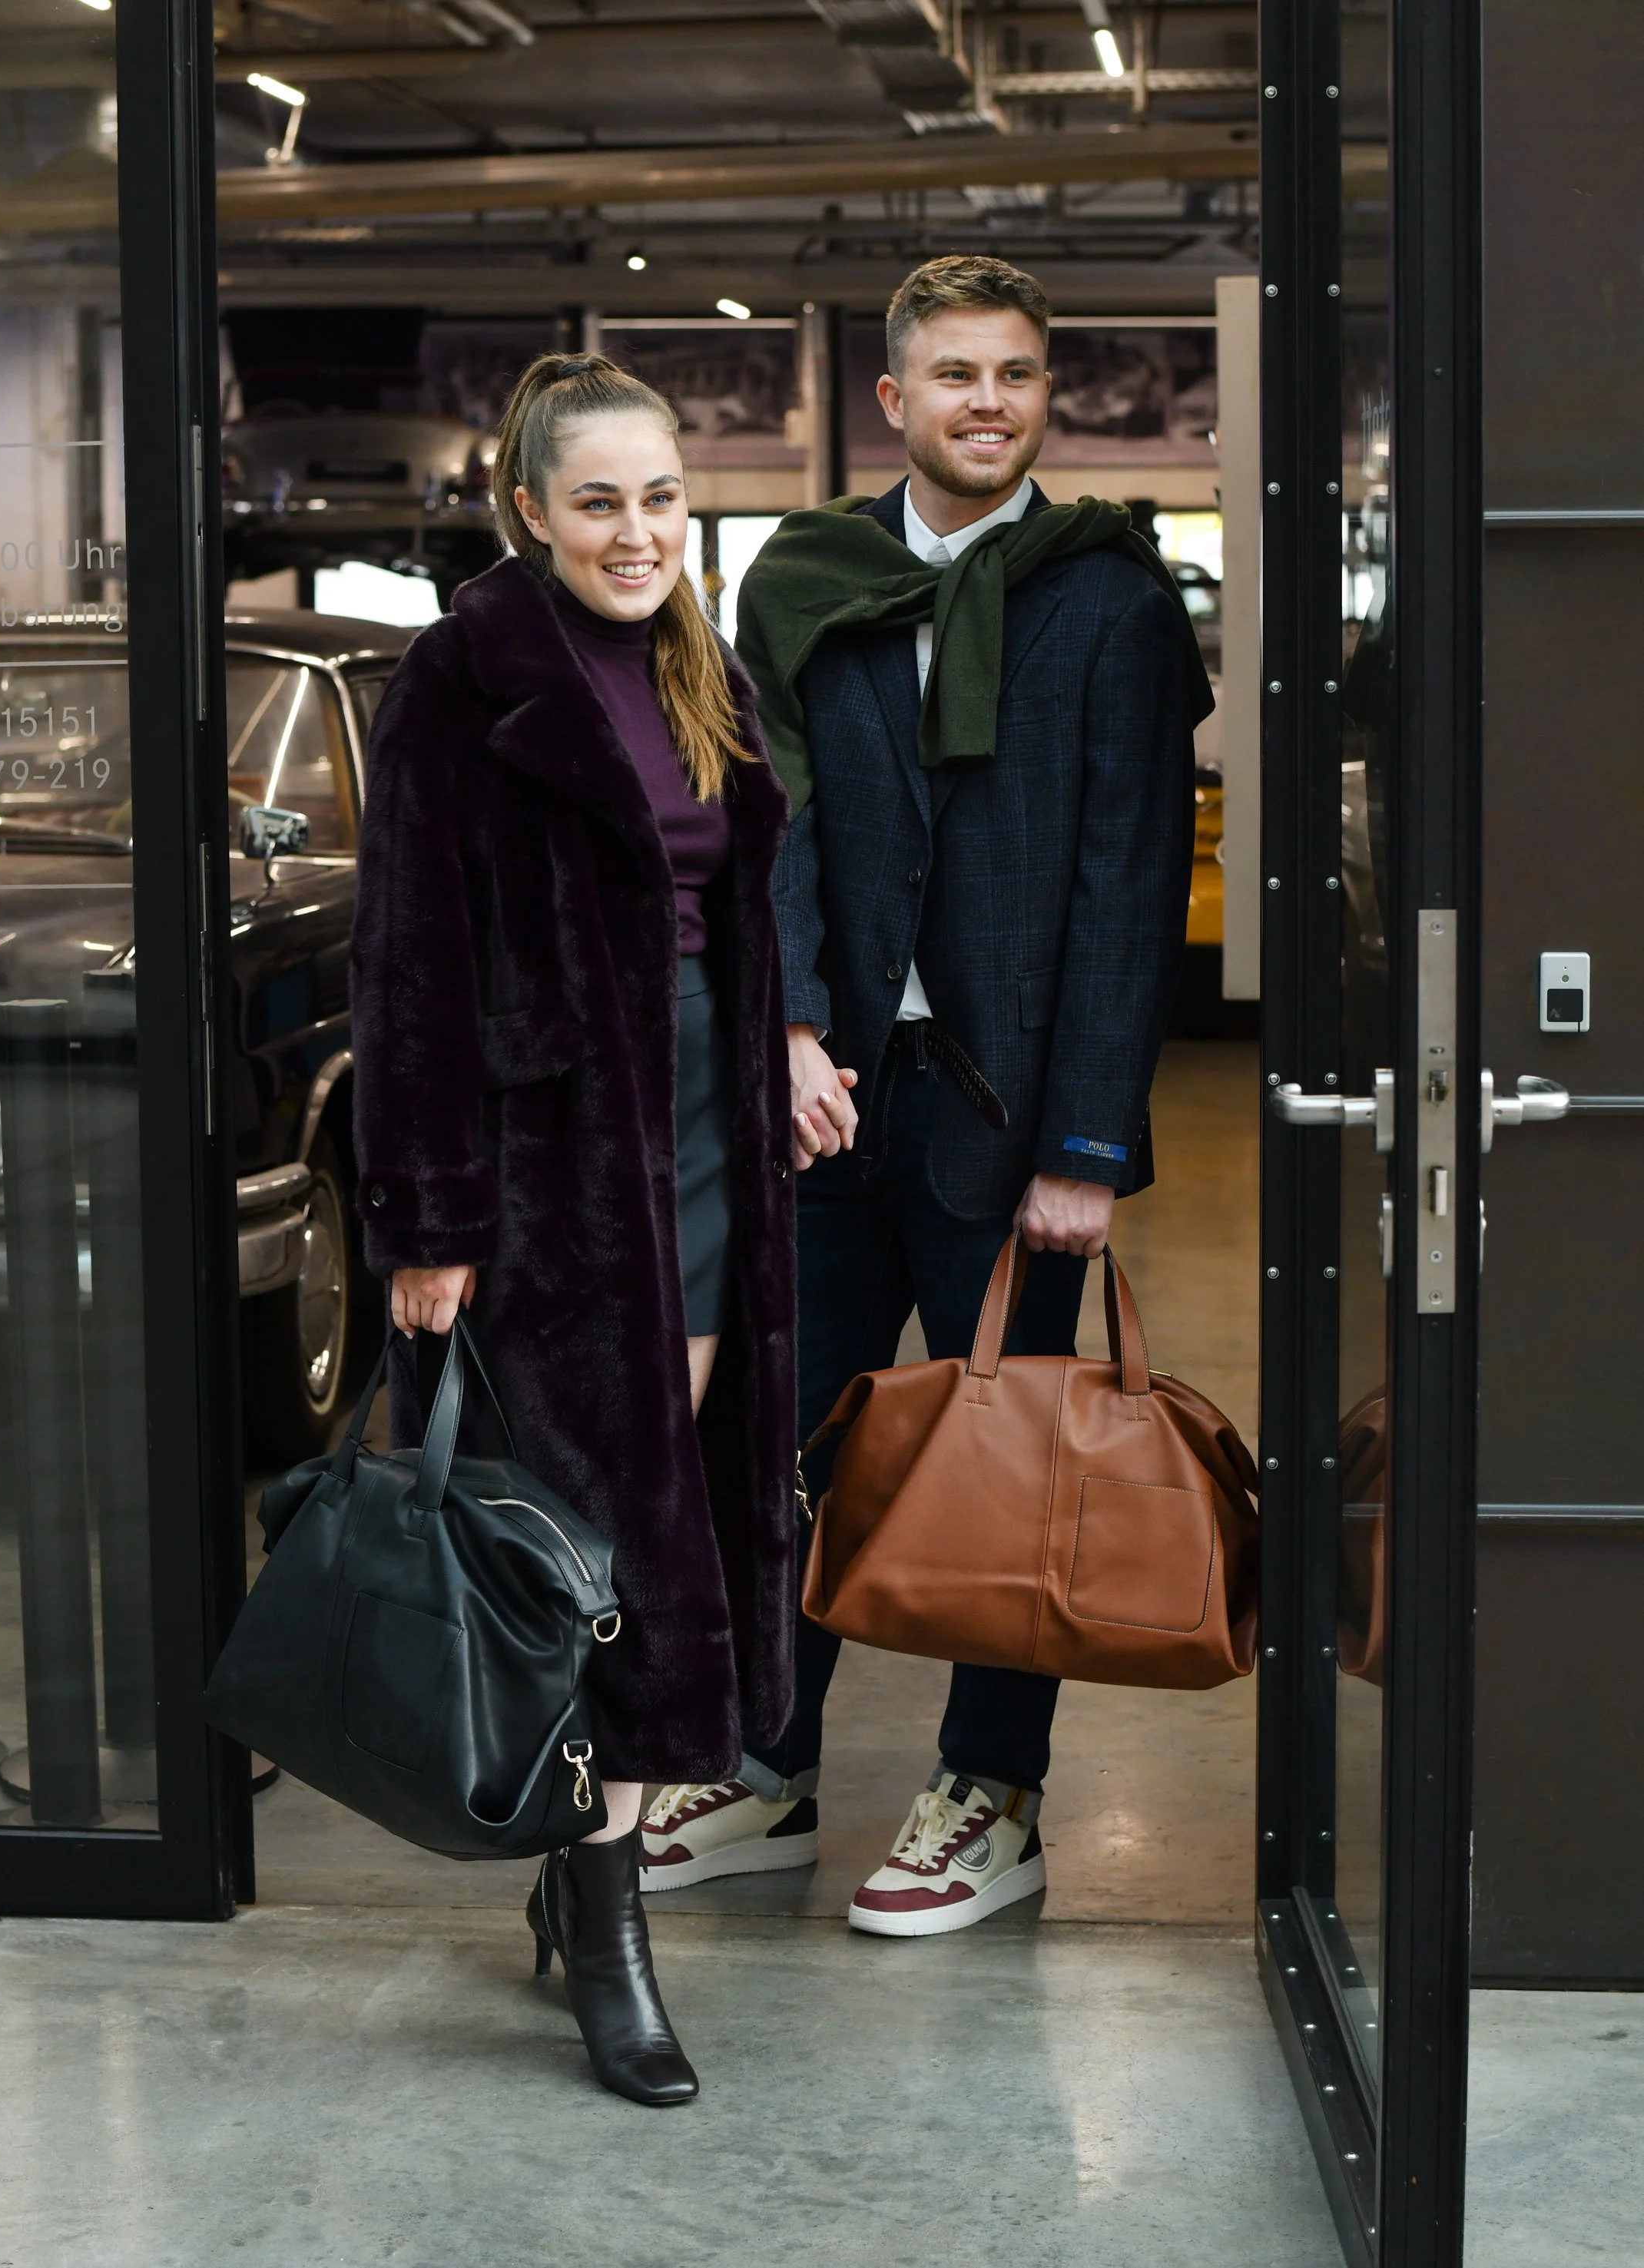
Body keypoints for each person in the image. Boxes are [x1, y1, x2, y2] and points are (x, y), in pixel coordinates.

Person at [640, 255, 1208, 1937]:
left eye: (1014, 376)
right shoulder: (804, 576)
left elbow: (1123, 879)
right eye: (951, 375)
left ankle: (993, 1792)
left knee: (1010, 1470)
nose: (984, 403)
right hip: (828, 1103)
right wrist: (790, 1031)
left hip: (1012, 1117)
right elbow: (772, 827)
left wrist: (1090, 1147)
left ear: (1048, 397)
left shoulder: (1107, 598)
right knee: (782, 1450)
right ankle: (760, 1767)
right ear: (892, 399)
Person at [350, 353, 799, 2100]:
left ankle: (577, 1882)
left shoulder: (699, 663)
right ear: (527, 512)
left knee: (648, 1529)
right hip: (551, 1181)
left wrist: (782, 1063)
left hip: (702, 1156)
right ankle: (609, 1931)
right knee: (607, 1562)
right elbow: (409, 965)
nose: (636, 531)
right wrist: (427, 1212)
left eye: (662, 497)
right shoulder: (464, 677)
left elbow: (721, 921)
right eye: (596, 500)